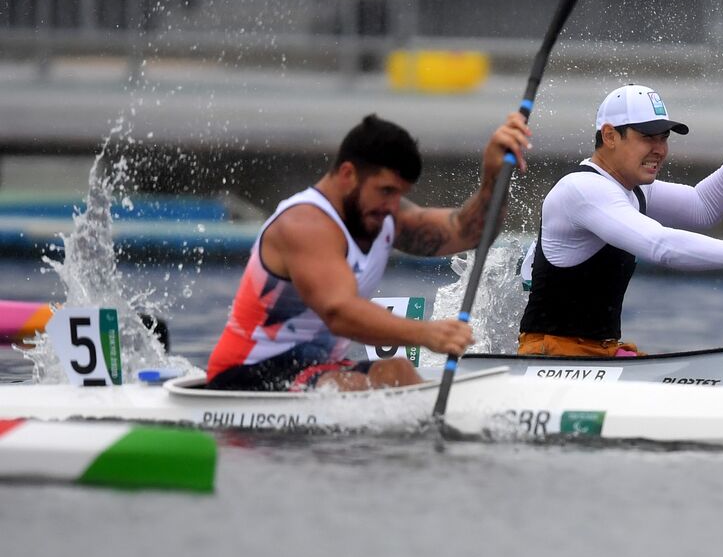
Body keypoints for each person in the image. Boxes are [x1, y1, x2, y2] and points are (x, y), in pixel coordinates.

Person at [206, 112, 530, 391]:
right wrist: (427, 333)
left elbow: (468, 231)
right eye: (386, 190)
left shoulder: (379, 214)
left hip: (315, 372)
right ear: (348, 174)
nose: (392, 205)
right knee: (352, 386)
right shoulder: (304, 224)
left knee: (398, 371)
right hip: (244, 375)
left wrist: (493, 176)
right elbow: (339, 312)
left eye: (400, 194)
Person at [518, 83, 723, 357]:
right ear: (609, 136)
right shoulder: (582, 190)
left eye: (663, 137)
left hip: (599, 352)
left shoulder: (633, 189)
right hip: (552, 356)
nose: (660, 149)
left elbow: (704, 206)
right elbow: (662, 246)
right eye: (647, 137)